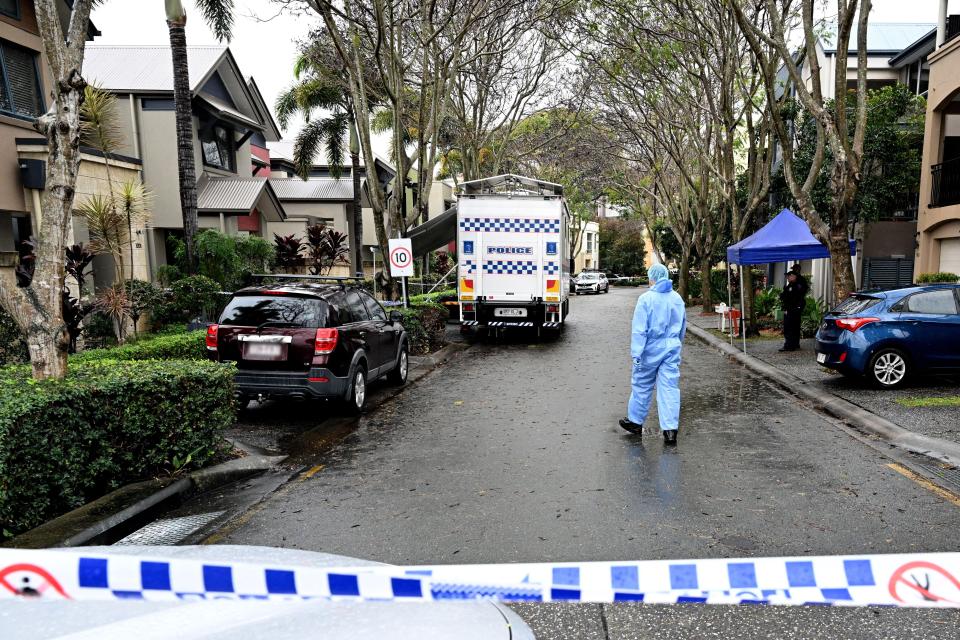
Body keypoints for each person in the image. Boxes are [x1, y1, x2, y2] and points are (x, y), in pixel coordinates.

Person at [619, 263, 686, 445]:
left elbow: (639, 330)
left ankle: (635, 422)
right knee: (669, 387)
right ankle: (670, 430)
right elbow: (682, 327)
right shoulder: (677, 298)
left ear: (653, 278)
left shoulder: (646, 299)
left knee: (642, 385)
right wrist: (677, 343)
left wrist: (637, 353)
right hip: (671, 347)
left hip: (649, 349)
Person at [779, 264, 808, 352]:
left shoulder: (798, 283)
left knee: (790, 326)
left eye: (788, 276)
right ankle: (795, 343)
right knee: (795, 326)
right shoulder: (794, 283)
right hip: (795, 307)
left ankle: (789, 345)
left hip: (793, 308)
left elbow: (791, 296)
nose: (787, 278)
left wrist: (784, 296)